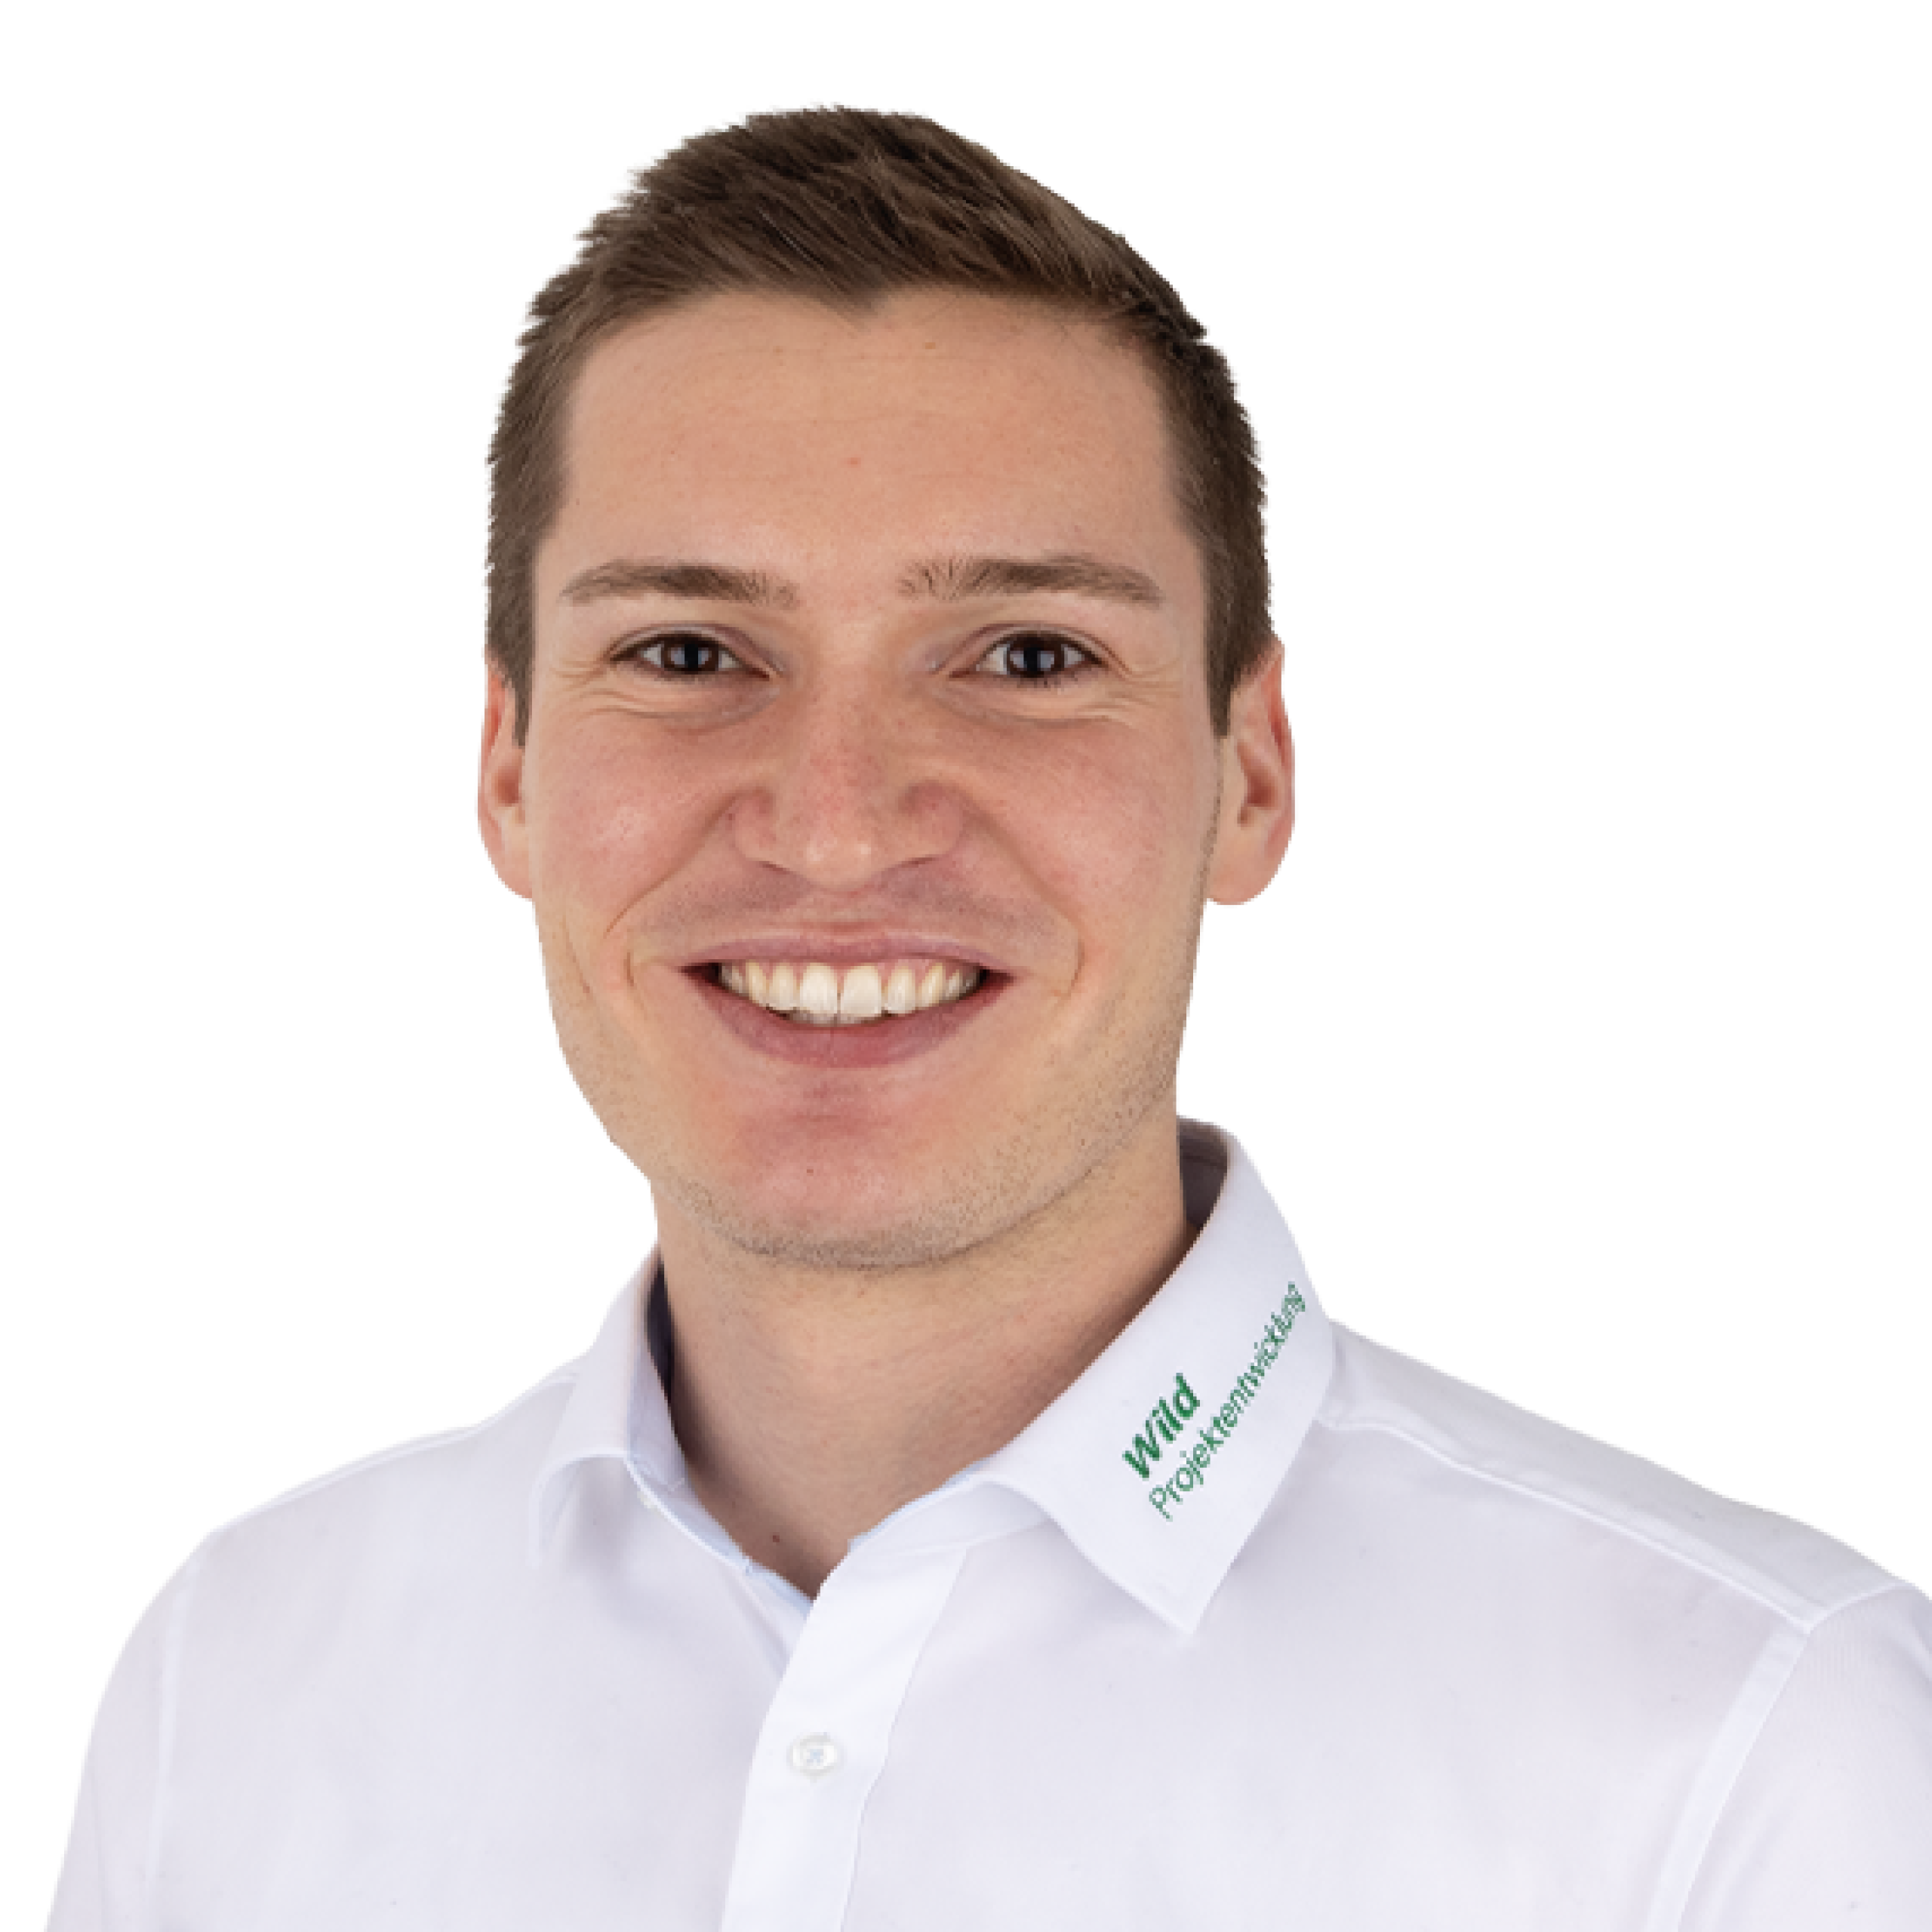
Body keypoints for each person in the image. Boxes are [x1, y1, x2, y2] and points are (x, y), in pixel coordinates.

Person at [47, 105, 1930, 1931]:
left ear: (1250, 772)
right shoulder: (237, 1671)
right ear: (510, 769)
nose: (836, 822)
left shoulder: (1752, 1742)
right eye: (687, 652)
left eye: (1027, 655)